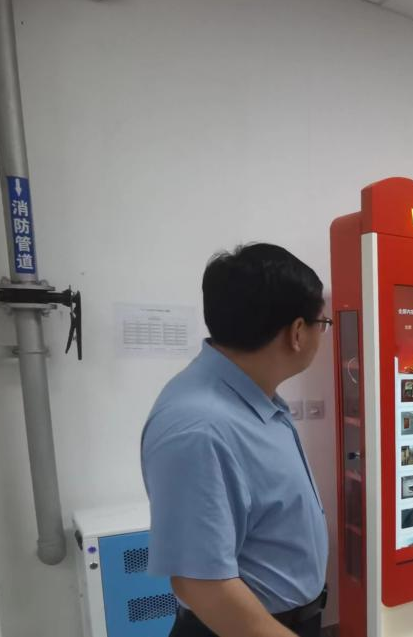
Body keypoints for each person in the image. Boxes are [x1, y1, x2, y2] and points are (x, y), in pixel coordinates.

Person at [142, 243, 332, 637]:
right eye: (323, 323)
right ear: (298, 332)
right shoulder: (200, 427)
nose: (323, 334)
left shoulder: (253, 397)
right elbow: (201, 585)